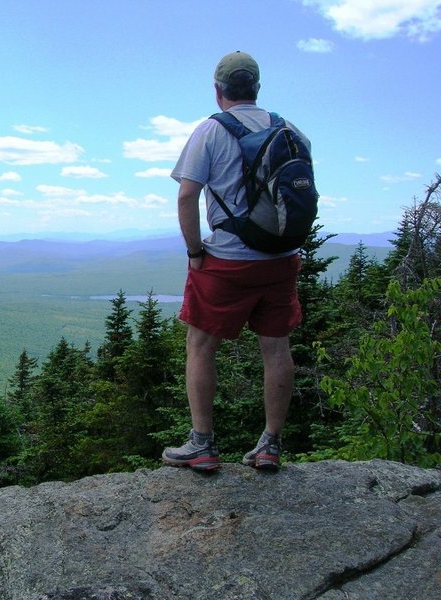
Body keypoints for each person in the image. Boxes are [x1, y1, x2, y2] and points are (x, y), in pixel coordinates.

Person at [162, 51, 310, 471]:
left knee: (201, 344)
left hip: (227, 260)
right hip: (282, 258)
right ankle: (270, 446)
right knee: (276, 348)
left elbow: (187, 195)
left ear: (219, 90)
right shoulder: (291, 130)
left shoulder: (210, 131)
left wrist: (195, 252)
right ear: (257, 88)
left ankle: (202, 445)